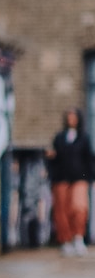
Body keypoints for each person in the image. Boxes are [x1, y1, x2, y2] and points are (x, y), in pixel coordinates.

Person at [46, 108, 93, 255]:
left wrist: (89, 177)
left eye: (74, 117)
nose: (71, 119)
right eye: (69, 117)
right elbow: (53, 157)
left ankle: (78, 237)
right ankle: (65, 240)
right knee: (61, 210)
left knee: (79, 207)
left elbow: (89, 159)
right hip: (61, 178)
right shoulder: (59, 137)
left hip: (79, 177)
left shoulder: (84, 138)